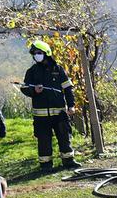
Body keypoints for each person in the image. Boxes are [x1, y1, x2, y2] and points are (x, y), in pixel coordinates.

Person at [19, 39, 78, 172]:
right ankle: (46, 166)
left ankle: (68, 161)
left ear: (46, 53)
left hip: (60, 114)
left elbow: (68, 89)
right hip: (41, 117)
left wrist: (71, 105)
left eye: (39, 53)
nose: (36, 55)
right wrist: (34, 91)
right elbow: (25, 88)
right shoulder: (32, 71)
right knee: (44, 141)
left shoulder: (58, 70)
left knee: (64, 137)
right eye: (34, 53)